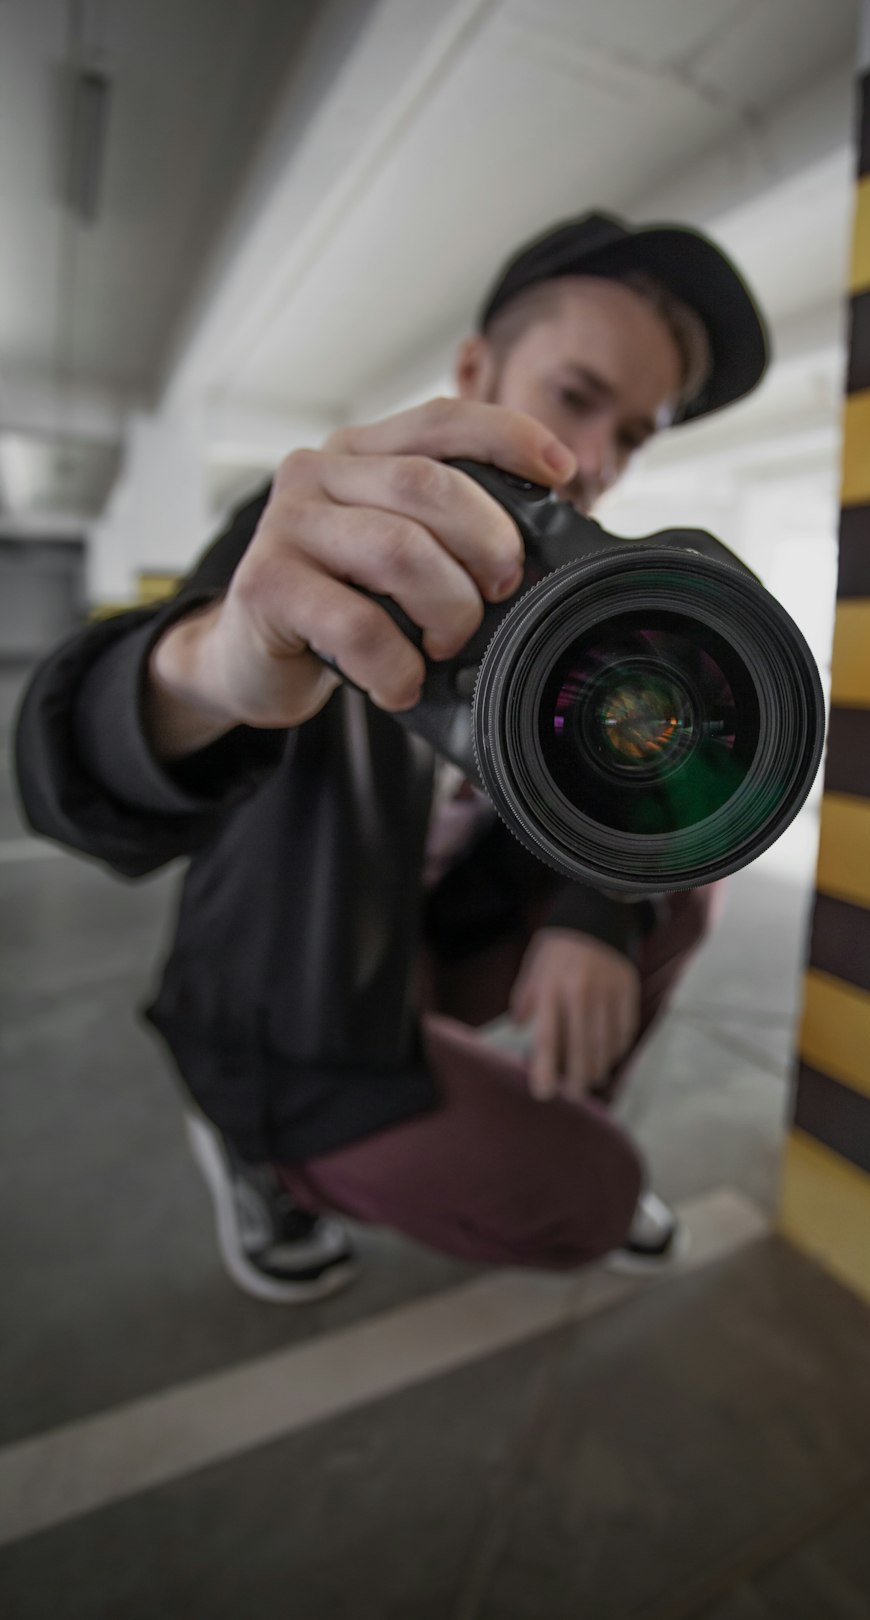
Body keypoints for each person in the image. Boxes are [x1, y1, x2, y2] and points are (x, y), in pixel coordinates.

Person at [15, 211, 767, 1303]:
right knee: (591, 1199)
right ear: (476, 368)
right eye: (575, 399)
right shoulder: (317, 531)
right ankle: (260, 1153)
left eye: (637, 433)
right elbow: (68, 780)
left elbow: (668, 782)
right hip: (294, 1000)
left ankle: (548, 1092)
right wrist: (211, 666)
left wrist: (596, 915)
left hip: (426, 938)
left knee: (686, 882)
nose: (600, 461)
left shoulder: (582, 607)